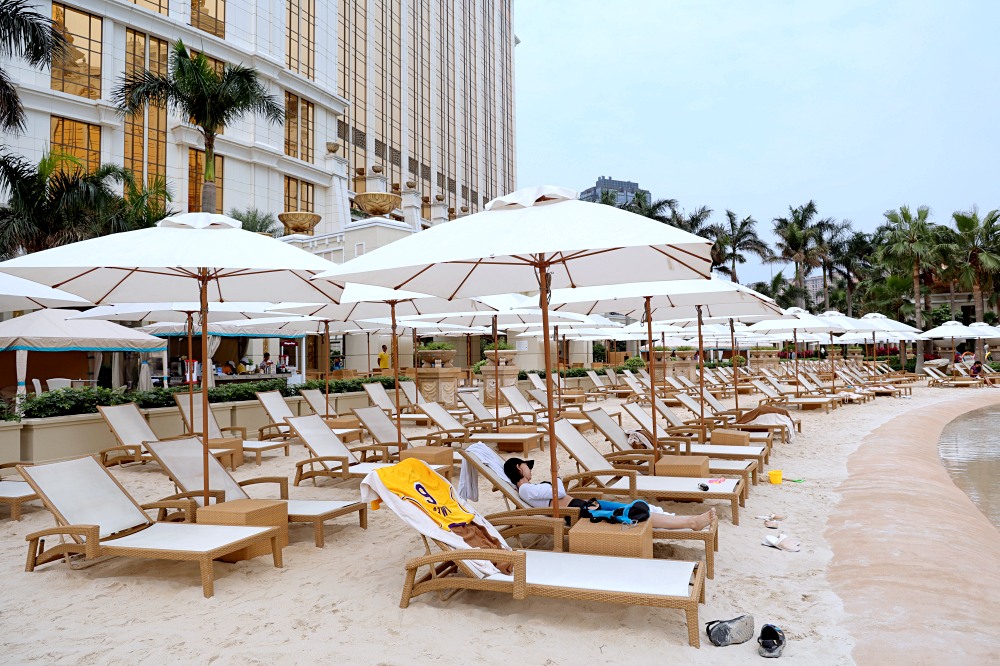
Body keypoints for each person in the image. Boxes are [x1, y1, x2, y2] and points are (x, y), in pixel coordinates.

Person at [503, 457, 715, 531]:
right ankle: (690, 523)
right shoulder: (527, 489)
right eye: (526, 465)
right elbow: (559, 492)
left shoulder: (527, 490)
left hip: (583, 506)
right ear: (519, 469)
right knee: (637, 514)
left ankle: (680, 520)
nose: (530, 469)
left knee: (637, 509)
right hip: (580, 511)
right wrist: (555, 473)